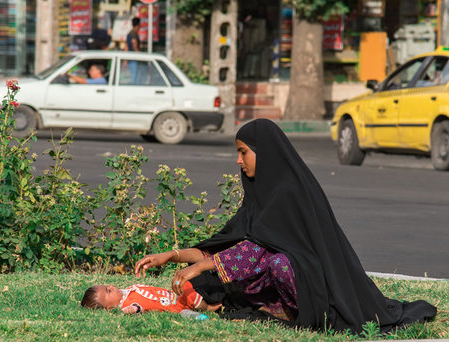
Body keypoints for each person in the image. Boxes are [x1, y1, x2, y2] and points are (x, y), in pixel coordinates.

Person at [134, 118, 437, 334]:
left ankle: (290, 311)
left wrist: (200, 267)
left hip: (314, 286)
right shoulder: (259, 196)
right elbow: (226, 245)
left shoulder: (289, 192)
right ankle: (266, 304)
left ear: (264, 153)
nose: (239, 161)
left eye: (244, 152)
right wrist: (170, 257)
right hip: (272, 281)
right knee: (210, 279)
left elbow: (256, 249)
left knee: (277, 261)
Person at [80, 281, 221, 317]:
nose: (111, 286)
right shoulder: (127, 303)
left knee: (186, 284)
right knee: (188, 291)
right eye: (108, 291)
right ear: (109, 307)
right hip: (176, 304)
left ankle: (210, 294)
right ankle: (208, 307)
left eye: (107, 286)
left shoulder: (126, 293)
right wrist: (133, 310)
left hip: (173, 296)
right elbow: (138, 307)